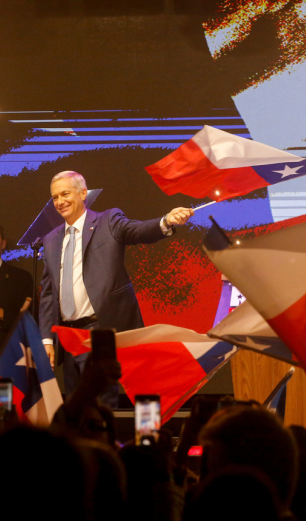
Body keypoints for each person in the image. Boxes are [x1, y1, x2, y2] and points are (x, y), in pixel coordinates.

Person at [38, 170, 194, 406]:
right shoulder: (51, 239)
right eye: (55, 197)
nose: (60, 202)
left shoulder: (107, 221)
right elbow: (49, 293)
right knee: (74, 408)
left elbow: (137, 230)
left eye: (65, 194)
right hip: (68, 337)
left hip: (101, 331)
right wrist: (47, 341)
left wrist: (166, 221)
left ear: (83, 193)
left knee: (101, 408)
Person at [0, 222, 33, 357]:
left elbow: (30, 318)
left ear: (3, 243)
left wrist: (3, 314)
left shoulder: (21, 278)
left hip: (9, 351)